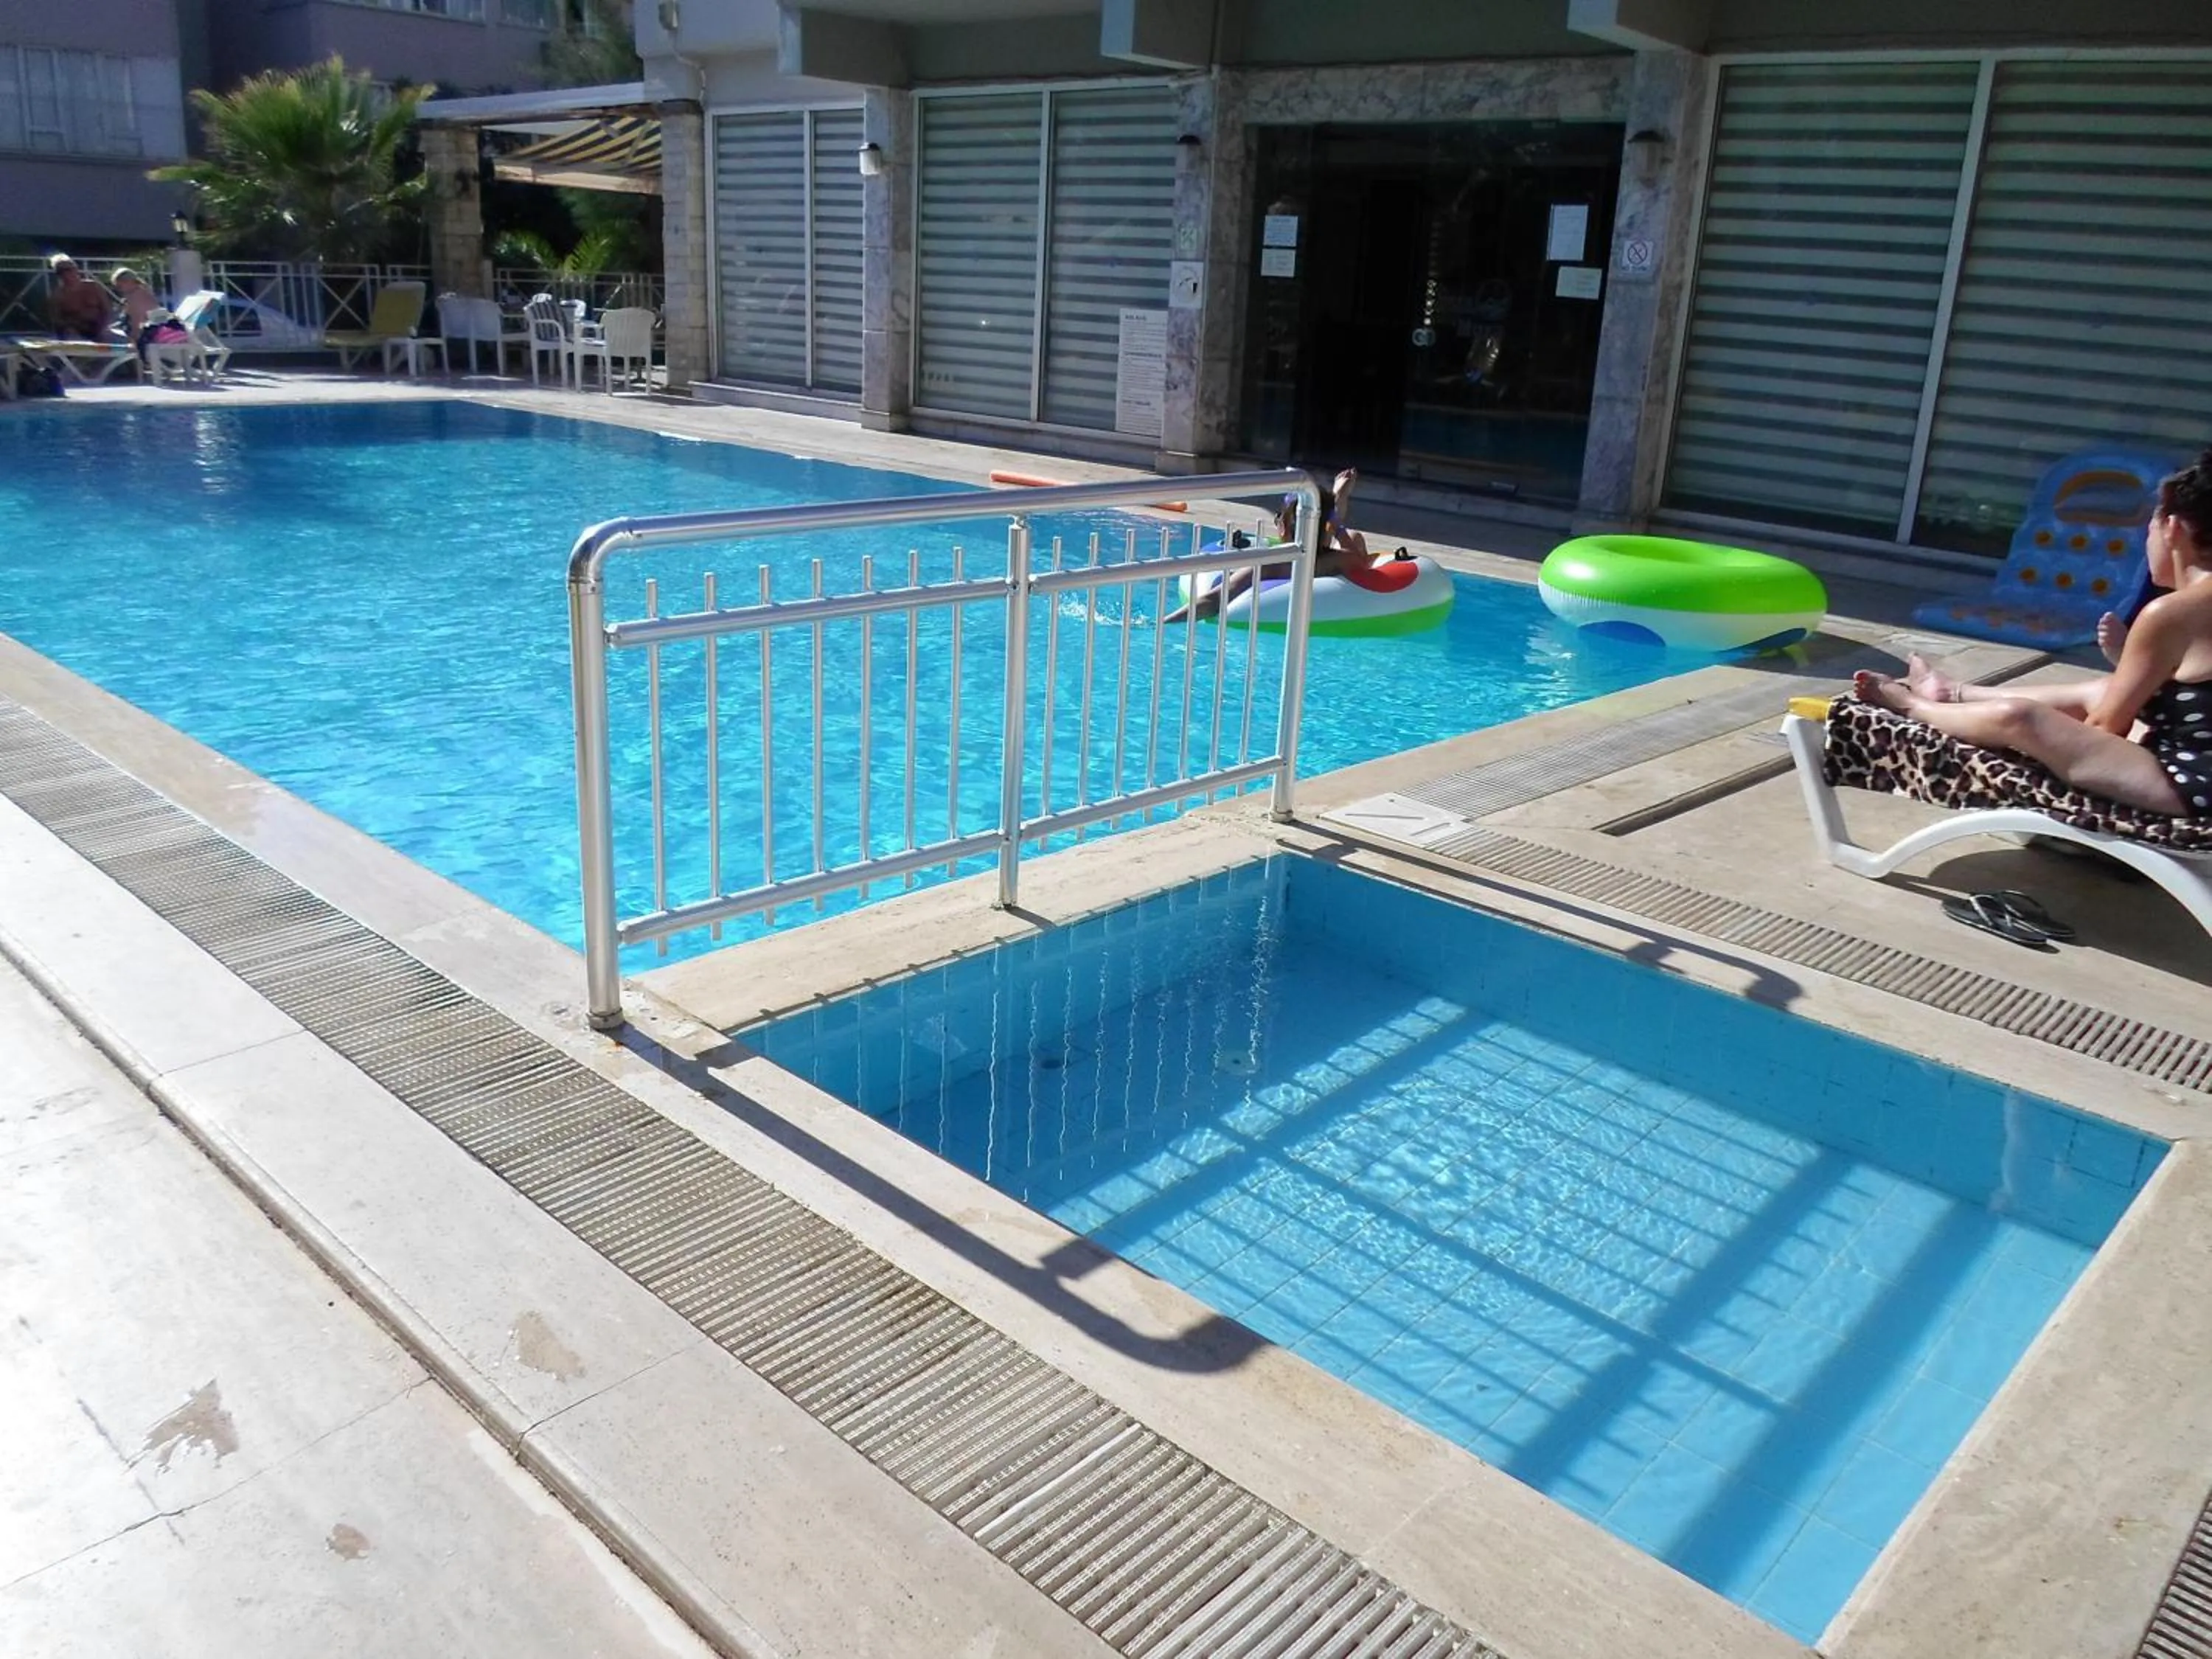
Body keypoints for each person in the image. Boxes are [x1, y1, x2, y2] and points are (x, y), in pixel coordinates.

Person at [1854, 446, 2212, 817]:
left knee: (2022, 719)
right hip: (2197, 768)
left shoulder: (2170, 614)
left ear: (2172, 528)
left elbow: (2106, 727)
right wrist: (2128, 666)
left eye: (2148, 528)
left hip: (2191, 788)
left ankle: (1911, 705)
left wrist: (2056, 750)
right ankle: (1952, 694)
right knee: (2102, 689)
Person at [1169, 467, 1395, 623]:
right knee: (1352, 537)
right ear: (1329, 527)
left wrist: (1163, 622)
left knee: (1347, 537)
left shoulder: (1272, 562)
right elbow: (1360, 562)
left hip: (1287, 582)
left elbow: (1214, 599)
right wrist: (1336, 520)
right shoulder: (1338, 560)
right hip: (1323, 572)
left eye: (1279, 518)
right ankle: (1331, 505)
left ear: (1283, 528)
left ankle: (1322, 508)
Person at [46, 254, 113, 341]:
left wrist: (104, 327)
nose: (66, 274)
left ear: (76, 269)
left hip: (99, 326)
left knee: (111, 339)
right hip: (75, 330)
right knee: (74, 340)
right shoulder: (57, 295)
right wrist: (69, 328)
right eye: (61, 271)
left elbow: (108, 309)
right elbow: (56, 319)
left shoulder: (94, 286)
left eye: (69, 269)